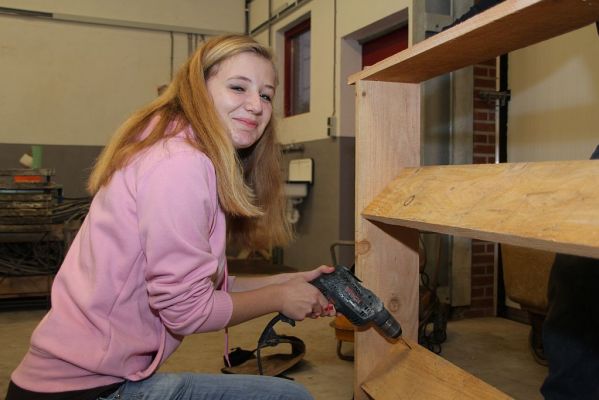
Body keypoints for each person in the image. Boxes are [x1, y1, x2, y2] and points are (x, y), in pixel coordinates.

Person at [6, 35, 335, 400]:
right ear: (198, 90)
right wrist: (279, 298)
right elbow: (187, 310)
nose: (256, 105)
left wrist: (288, 281)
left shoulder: (176, 150)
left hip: (92, 377)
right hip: (82, 389)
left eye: (266, 95)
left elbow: (200, 287)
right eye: (238, 87)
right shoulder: (180, 163)